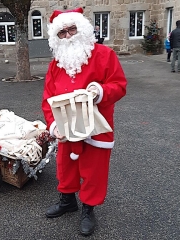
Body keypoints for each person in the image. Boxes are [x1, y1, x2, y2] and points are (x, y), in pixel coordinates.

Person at [41, 8, 127, 236]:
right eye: (62, 33)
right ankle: (68, 201)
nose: (68, 36)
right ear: (56, 37)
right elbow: (48, 98)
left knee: (93, 170)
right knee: (66, 166)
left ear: (83, 29)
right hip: (67, 127)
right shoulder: (55, 64)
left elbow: (119, 86)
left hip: (96, 128)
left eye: (72, 29)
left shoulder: (105, 55)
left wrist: (99, 91)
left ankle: (88, 209)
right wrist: (54, 125)